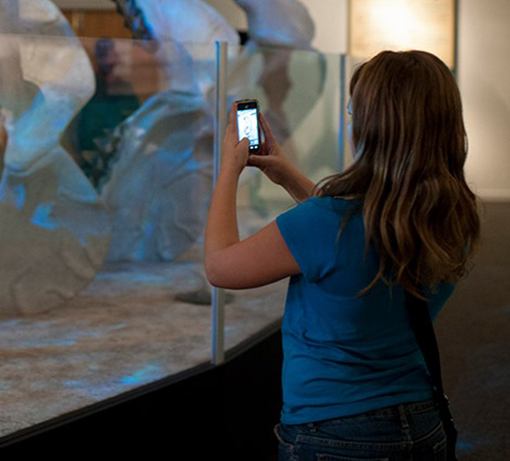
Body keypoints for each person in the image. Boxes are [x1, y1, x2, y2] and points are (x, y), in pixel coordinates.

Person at [204, 50, 480, 460]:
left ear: (374, 126)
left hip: (332, 435)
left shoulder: (324, 224)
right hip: (423, 423)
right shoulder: (452, 216)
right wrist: (289, 175)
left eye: (354, 113)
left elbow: (220, 265)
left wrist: (228, 168)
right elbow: (367, 226)